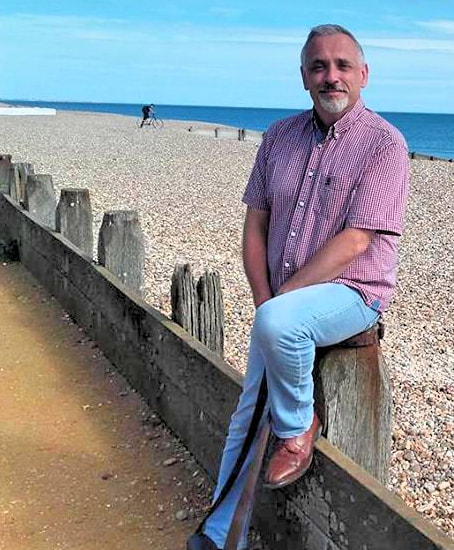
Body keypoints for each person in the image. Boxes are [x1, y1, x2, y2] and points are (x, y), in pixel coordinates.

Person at [188, 24, 409, 550]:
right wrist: (264, 300)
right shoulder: (279, 136)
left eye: (342, 65)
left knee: (278, 338)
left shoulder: (385, 144)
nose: (331, 76)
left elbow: (357, 241)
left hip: (354, 291)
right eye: (318, 66)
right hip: (282, 300)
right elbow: (255, 226)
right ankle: (220, 537)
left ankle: (296, 428)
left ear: (363, 74)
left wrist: (278, 305)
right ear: (303, 77)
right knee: (246, 413)